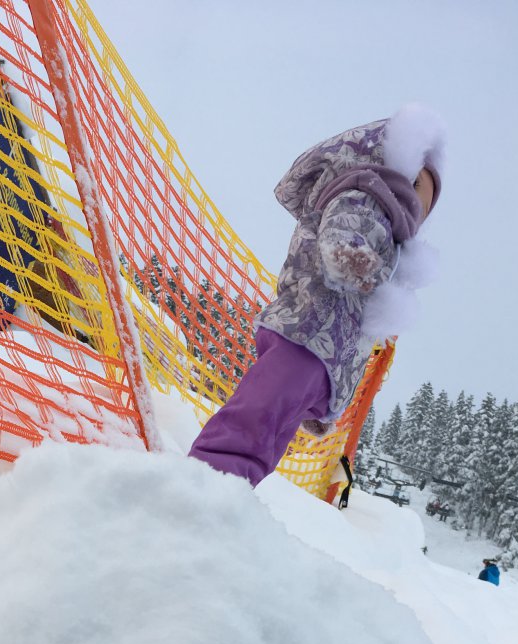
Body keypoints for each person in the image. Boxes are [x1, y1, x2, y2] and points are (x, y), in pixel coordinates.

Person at [189, 104, 445, 487]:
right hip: (307, 331)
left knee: (272, 434)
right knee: (257, 417)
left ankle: (233, 490)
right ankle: (205, 479)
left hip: (324, 352)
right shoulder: (367, 194)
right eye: (421, 185)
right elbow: (344, 231)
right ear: (397, 166)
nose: (422, 204)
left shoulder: (389, 226)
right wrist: (353, 259)